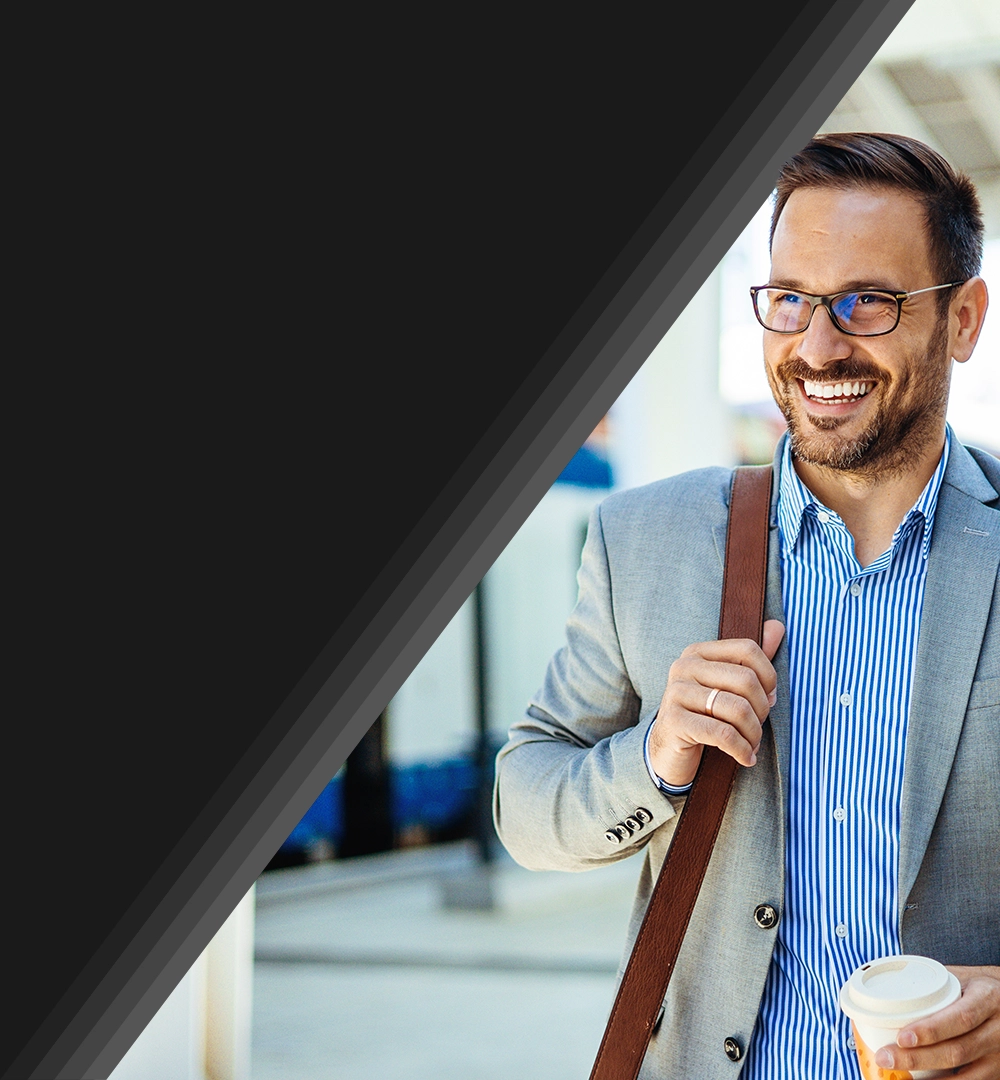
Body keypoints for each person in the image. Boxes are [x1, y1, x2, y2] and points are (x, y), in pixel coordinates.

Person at [493, 132, 1000, 1078]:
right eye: (790, 301)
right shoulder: (642, 541)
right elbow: (526, 806)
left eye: (868, 302)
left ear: (963, 319)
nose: (817, 346)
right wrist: (656, 758)